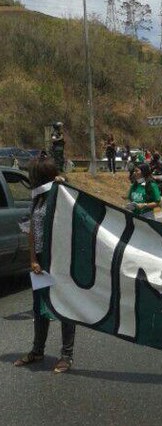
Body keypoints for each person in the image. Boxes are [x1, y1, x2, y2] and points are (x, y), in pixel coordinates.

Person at [14, 156, 76, 373]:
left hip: (59, 259)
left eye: (32, 174)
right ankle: (37, 350)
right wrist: (32, 259)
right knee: (40, 307)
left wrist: (63, 182)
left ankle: (66, 355)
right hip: (40, 260)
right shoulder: (37, 199)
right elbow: (32, 231)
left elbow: (73, 211)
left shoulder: (59, 195)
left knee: (64, 307)